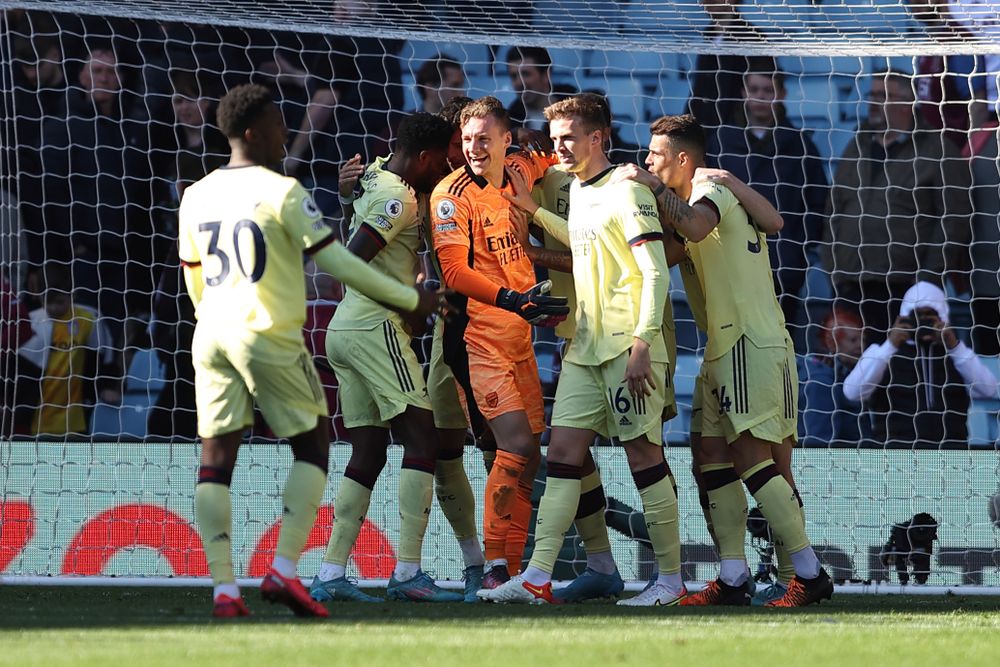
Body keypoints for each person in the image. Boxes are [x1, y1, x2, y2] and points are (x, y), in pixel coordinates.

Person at [178, 83, 443, 618]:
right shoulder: (283, 192)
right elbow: (344, 262)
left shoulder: (196, 193)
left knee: (216, 461)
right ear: (254, 132)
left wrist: (211, 321)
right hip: (280, 332)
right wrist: (412, 295)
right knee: (323, 448)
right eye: (280, 124)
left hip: (211, 335)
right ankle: (299, 569)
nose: (288, 134)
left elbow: (195, 278)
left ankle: (232, 588)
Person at [617, 114, 832, 607]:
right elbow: (653, 254)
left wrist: (652, 184)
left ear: (683, 160)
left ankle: (808, 571)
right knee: (709, 459)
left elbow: (695, 227)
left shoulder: (709, 195)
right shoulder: (697, 202)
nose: (648, 161)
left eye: (656, 155)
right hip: (723, 349)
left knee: (757, 460)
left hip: (749, 343)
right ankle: (734, 578)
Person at [481, 95, 682, 606]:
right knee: (564, 455)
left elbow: (655, 270)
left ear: (598, 138)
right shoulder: (581, 190)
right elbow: (582, 237)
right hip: (585, 346)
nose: (559, 148)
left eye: (568, 137)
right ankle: (537, 577)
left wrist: (643, 343)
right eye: (554, 140)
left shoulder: (628, 189)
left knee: (643, 456)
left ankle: (672, 581)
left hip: (627, 347)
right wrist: (534, 211)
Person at [308, 112, 470, 604]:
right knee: (422, 439)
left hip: (344, 329)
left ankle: (331, 572)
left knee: (369, 452)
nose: (444, 167)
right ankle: (407, 573)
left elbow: (357, 213)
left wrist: (343, 194)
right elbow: (349, 263)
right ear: (423, 158)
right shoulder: (396, 196)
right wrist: (411, 301)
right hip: (376, 327)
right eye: (441, 159)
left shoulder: (374, 171)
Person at [430, 96, 569, 591]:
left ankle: (511, 574)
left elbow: (562, 154)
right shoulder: (451, 196)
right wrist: (511, 299)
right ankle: (493, 568)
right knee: (513, 447)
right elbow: (453, 272)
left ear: (506, 139)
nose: (474, 148)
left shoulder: (520, 168)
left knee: (529, 454)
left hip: (521, 337)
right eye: (468, 139)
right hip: (478, 340)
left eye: (484, 138)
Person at [822, 70, 972, 345]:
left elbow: (954, 219)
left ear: (907, 102)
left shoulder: (938, 151)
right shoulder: (857, 145)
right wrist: (834, 266)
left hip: (905, 288)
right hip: (851, 283)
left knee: (900, 375)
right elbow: (835, 207)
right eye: (873, 95)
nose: (874, 102)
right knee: (856, 377)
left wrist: (927, 280)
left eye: (884, 96)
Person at [708, 62, 828, 331]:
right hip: (730, 263)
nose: (760, 97)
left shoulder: (800, 145)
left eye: (768, 90)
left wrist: (798, 248)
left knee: (781, 343)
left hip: (784, 267)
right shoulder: (721, 141)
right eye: (755, 89)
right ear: (743, 92)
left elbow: (817, 201)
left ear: (782, 94)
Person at [842, 281, 999, 448]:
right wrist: (890, 346)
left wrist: (954, 347)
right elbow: (852, 392)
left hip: (951, 452)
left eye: (929, 317)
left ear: (943, 317)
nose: (923, 323)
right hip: (897, 454)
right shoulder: (883, 354)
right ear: (904, 317)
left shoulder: (957, 356)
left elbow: (989, 389)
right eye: (917, 316)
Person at [16, 264, 116, 440]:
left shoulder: (88, 320)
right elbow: (21, 371)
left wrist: (106, 386)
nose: (54, 307)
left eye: (60, 302)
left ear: (72, 295)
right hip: (37, 415)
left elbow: (102, 357)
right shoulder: (30, 323)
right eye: (48, 302)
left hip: (74, 415)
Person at [799, 308, 868, 447]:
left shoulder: (845, 374)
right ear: (832, 343)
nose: (861, 346)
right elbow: (818, 442)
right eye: (853, 340)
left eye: (863, 339)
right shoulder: (821, 383)